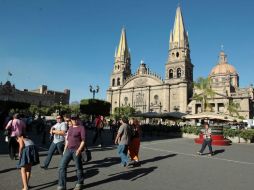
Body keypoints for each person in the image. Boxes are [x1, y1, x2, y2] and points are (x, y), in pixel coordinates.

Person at [57, 114, 86, 190]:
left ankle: (80, 183)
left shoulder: (81, 128)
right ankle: (61, 185)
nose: (74, 120)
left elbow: (83, 140)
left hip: (76, 150)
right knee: (61, 167)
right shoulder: (70, 128)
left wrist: (79, 150)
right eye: (73, 119)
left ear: (78, 119)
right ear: (71, 120)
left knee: (78, 167)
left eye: (76, 119)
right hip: (68, 150)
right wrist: (64, 150)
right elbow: (67, 139)